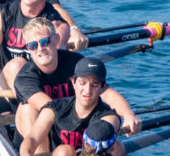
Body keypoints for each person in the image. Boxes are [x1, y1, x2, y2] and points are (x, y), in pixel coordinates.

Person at [12, 17, 141, 145]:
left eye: (45, 42)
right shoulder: (25, 78)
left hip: (74, 129)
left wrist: (128, 114)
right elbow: (52, 109)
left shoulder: (75, 62)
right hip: (47, 132)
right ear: (28, 49)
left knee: (117, 147)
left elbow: (105, 92)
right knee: (27, 109)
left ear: (56, 39)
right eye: (33, 45)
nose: (40, 49)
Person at [18, 57, 128, 156]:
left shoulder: (109, 117)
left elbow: (100, 151)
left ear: (102, 88)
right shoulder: (55, 108)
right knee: (64, 152)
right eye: (82, 83)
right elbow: (33, 138)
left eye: (94, 85)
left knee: (119, 148)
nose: (87, 90)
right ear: (73, 82)